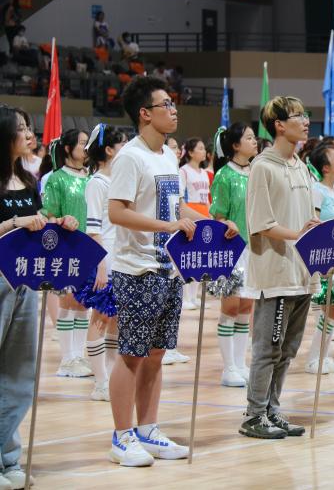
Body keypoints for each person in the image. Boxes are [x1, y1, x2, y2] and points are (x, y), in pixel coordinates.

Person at [107, 76, 233, 466]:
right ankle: (121, 436)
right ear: (145, 113)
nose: (174, 110)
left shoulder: (166, 156)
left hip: (169, 269)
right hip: (137, 269)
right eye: (166, 104)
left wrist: (213, 224)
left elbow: (175, 207)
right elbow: (117, 212)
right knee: (131, 354)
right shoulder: (130, 157)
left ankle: (148, 429)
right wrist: (167, 226)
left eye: (174, 104)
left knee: (157, 354)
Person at [0, 104, 76, 489]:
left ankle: (8, 457)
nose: (29, 133)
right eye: (21, 128)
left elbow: (37, 228)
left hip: (25, 283)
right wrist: (14, 222)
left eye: (29, 127)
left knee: (19, 373)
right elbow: (19, 225)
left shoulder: (29, 181)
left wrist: (59, 224)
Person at [239, 96, 318, 439]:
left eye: (305, 114)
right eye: (298, 116)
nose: (306, 121)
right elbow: (261, 224)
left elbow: (305, 217)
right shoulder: (263, 166)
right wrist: (299, 233)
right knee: (268, 348)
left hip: (302, 272)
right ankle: (254, 415)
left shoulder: (301, 166)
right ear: (279, 125)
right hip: (275, 274)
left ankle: (272, 409)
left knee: (288, 350)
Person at [75, 124, 128, 401]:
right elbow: (94, 230)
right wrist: (101, 265)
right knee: (100, 318)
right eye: (122, 146)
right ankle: (100, 383)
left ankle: (111, 378)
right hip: (104, 259)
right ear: (108, 150)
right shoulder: (97, 183)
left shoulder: (119, 181)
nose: (127, 150)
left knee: (115, 320)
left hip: (122, 258)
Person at [208, 123, 260, 387]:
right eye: (249, 138)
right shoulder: (224, 175)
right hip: (230, 250)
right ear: (236, 145)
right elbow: (218, 215)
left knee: (247, 307)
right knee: (230, 307)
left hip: (254, 247)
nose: (255, 141)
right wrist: (226, 223)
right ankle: (228, 368)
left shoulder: (256, 173)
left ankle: (240, 364)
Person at [42, 128, 93, 378]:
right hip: (65, 246)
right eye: (82, 143)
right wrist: (61, 221)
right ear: (67, 148)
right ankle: (67, 359)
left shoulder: (92, 178)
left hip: (89, 246)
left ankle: (78, 356)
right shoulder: (56, 178)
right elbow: (49, 215)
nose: (86, 148)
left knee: (83, 303)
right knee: (67, 300)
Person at [304, 143, 334, 373]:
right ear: (325, 167)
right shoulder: (317, 190)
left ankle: (322, 357)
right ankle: (314, 359)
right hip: (322, 259)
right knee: (332, 308)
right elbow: (313, 225)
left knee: (333, 309)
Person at [179, 137, 211, 311]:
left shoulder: (204, 172)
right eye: (200, 148)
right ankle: (185, 298)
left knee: (201, 258)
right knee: (189, 257)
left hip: (204, 213)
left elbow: (206, 197)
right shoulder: (183, 171)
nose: (203, 151)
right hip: (190, 212)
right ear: (190, 152)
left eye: (204, 148)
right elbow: (181, 198)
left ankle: (194, 296)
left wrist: (210, 214)